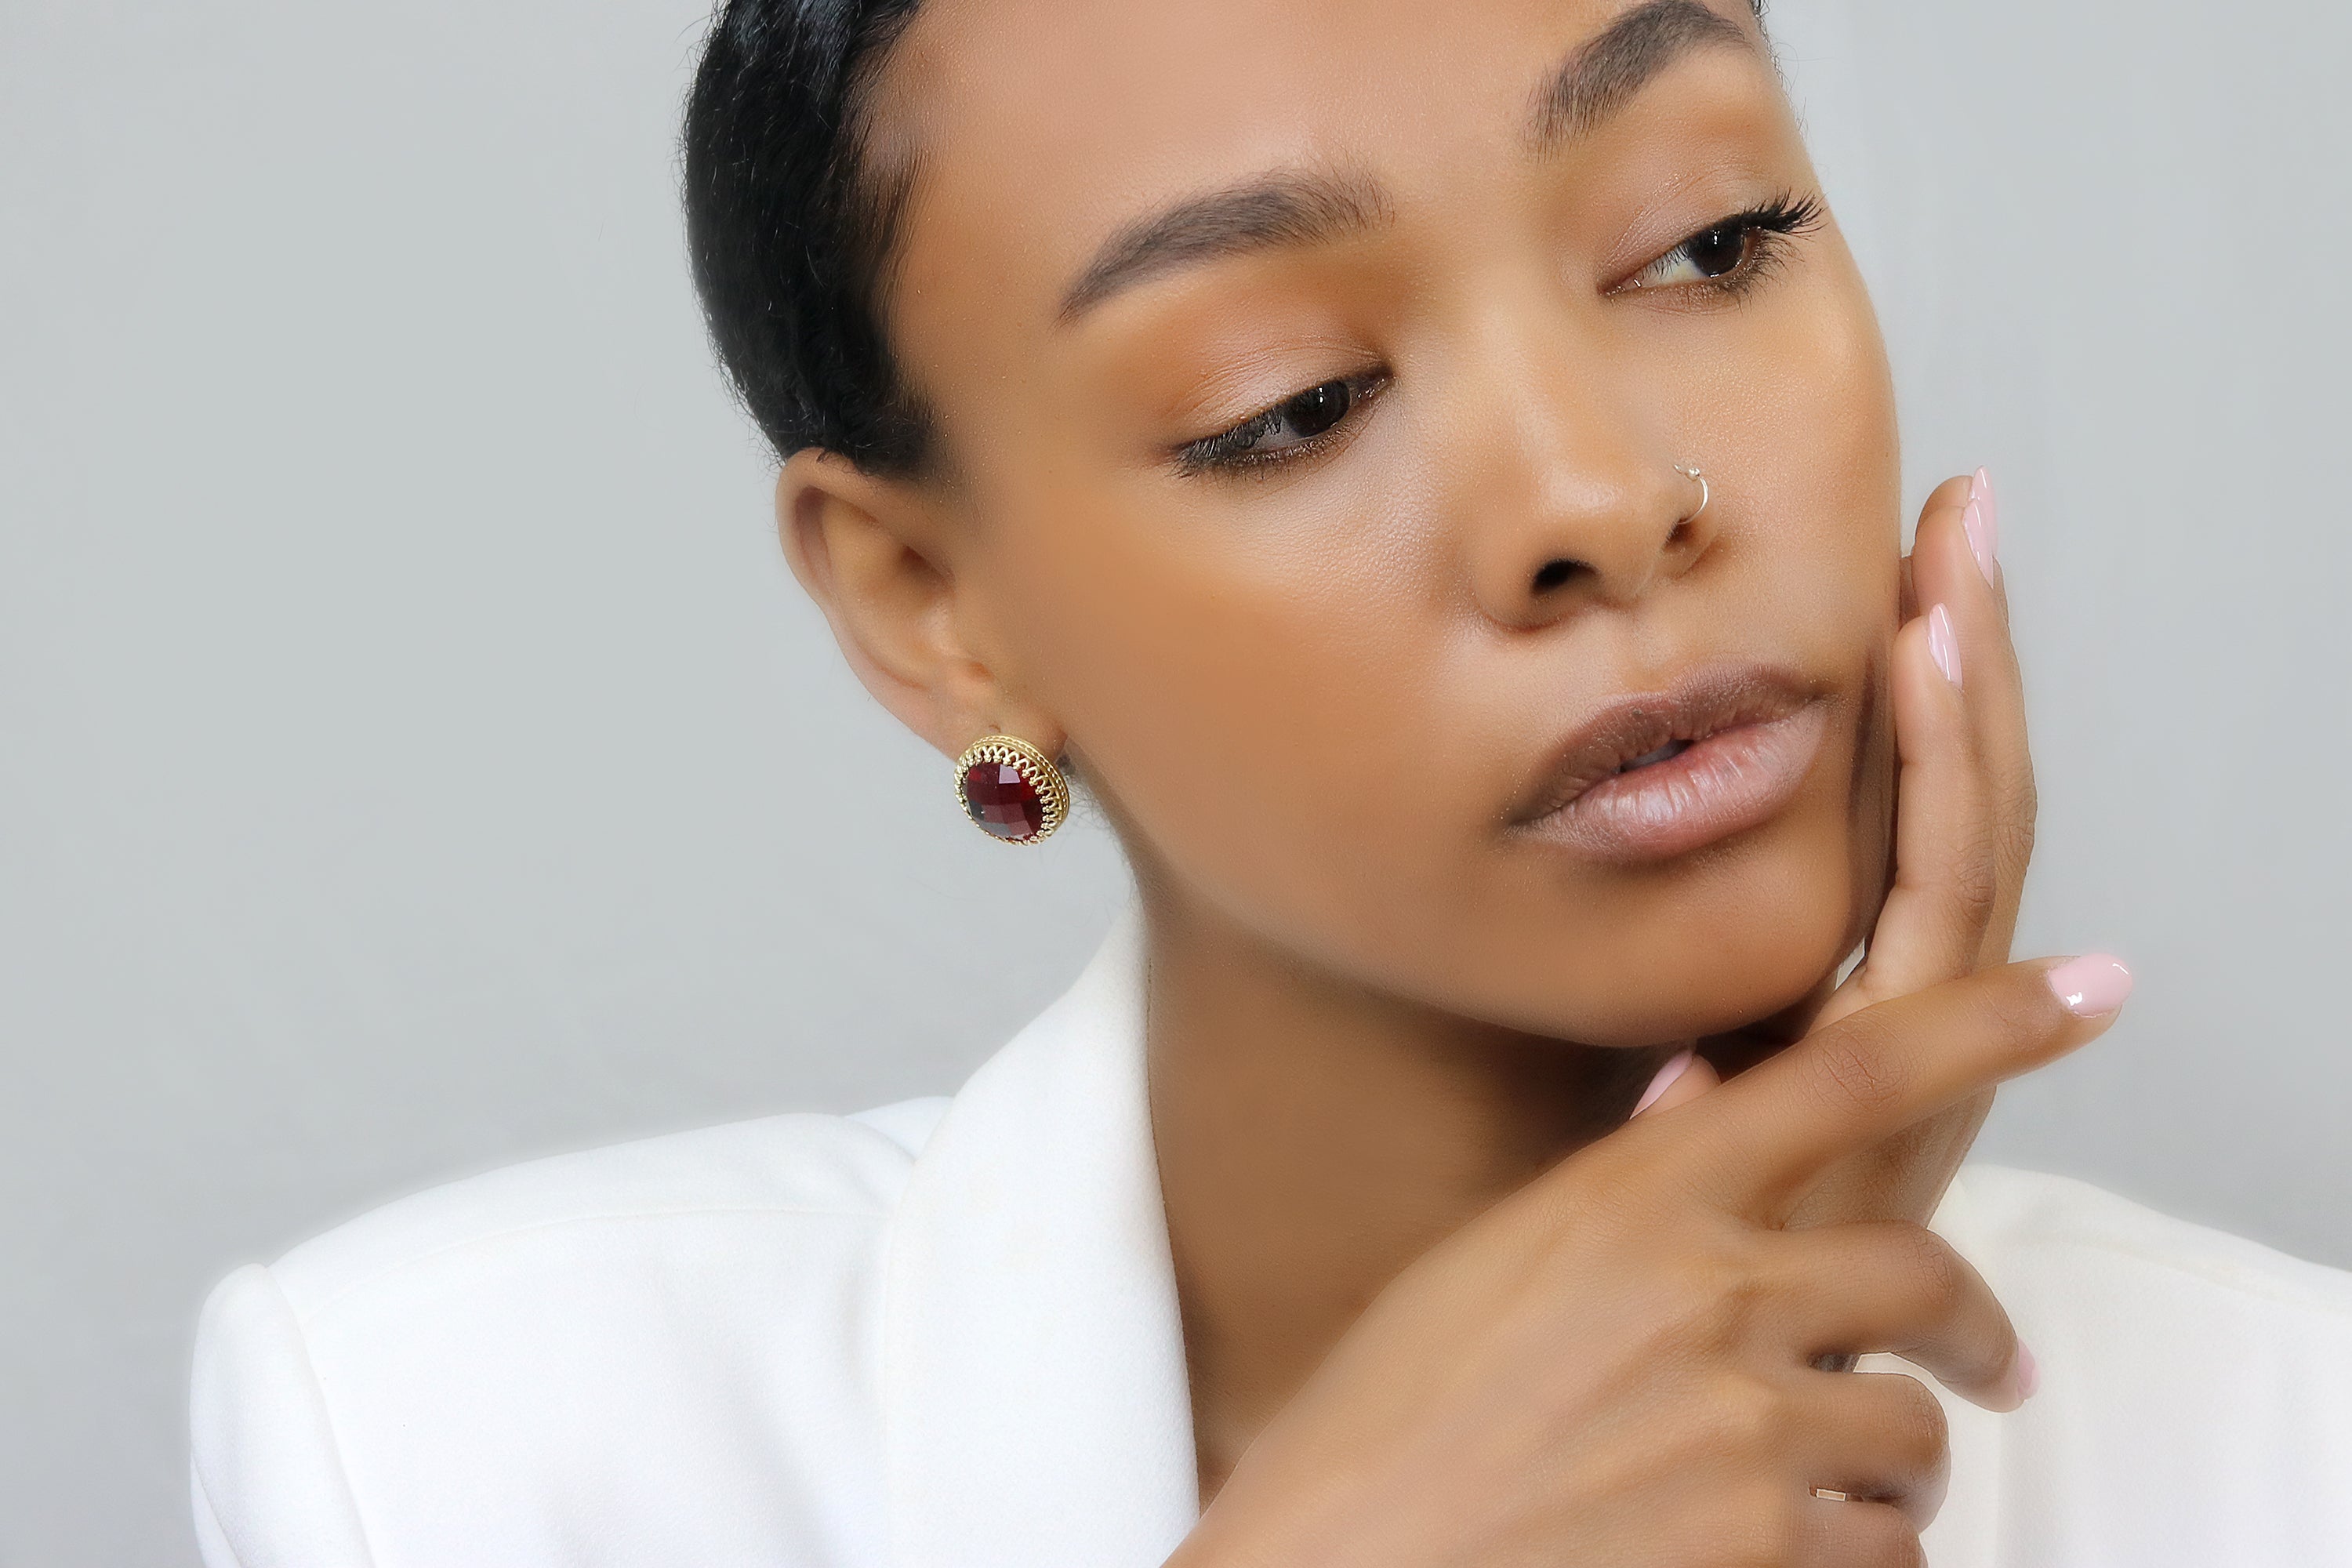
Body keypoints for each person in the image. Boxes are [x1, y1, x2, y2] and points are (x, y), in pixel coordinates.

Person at [187, 0, 2352, 1563]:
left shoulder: (2288, 1455)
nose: (1603, 494)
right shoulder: (455, 1450)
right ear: (935, 602)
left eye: (1713, 238)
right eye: (1293, 401)